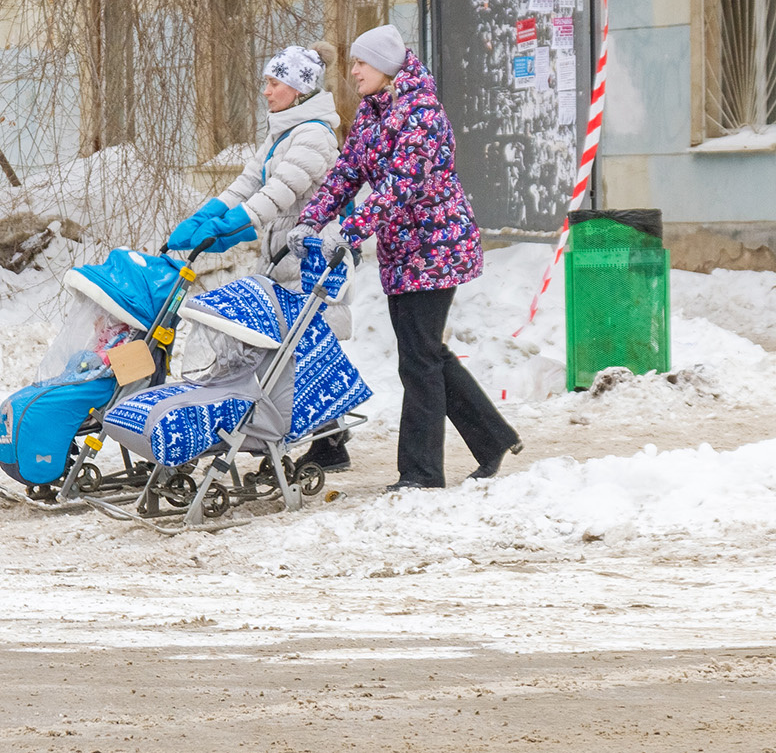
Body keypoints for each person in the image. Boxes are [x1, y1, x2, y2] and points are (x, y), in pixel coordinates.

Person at [289, 24, 521, 490]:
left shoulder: (421, 114)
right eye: (353, 63)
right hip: (405, 251)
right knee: (425, 352)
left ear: (388, 66)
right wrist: (311, 220)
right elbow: (347, 172)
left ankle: (421, 473)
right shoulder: (375, 114)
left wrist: (349, 233)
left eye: (362, 63)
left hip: (437, 247)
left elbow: (401, 186)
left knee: (418, 358)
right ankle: (492, 438)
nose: (353, 72)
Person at [166, 42, 353, 472]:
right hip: (284, 251)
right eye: (266, 83)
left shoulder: (314, 135)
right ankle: (329, 436)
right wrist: (206, 215)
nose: (265, 91)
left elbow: (276, 194)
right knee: (296, 344)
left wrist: (232, 228)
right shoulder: (283, 131)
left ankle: (326, 439)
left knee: (303, 342)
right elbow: (248, 182)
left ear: (298, 88)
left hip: (312, 254)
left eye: (274, 83)